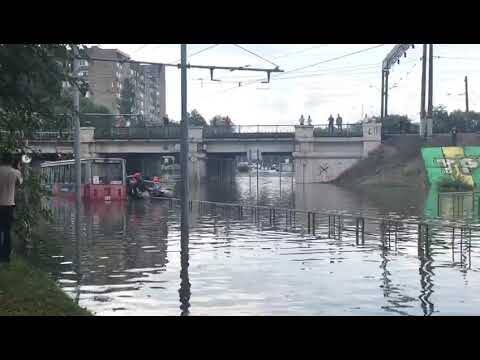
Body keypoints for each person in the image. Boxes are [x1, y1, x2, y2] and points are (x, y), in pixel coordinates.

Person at [0, 153, 23, 263]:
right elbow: (20, 184)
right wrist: (18, 169)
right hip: (9, 206)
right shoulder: (16, 173)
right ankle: (5, 257)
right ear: (12, 161)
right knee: (7, 231)